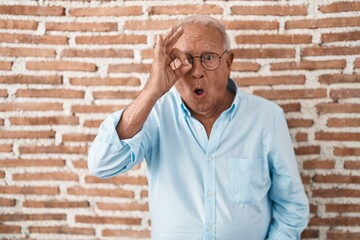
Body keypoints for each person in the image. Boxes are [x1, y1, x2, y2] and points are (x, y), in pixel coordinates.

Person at [88, 15, 309, 240]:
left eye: (208, 58)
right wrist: (152, 90)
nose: (196, 71)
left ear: (228, 63)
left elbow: (292, 207)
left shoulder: (267, 117)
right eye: (185, 60)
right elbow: (102, 163)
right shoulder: (155, 115)